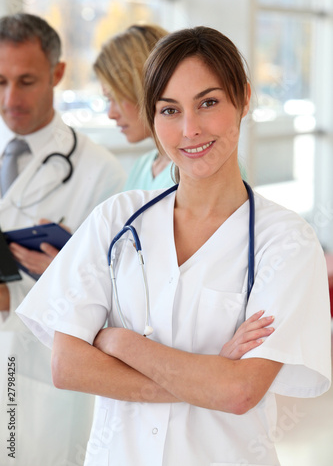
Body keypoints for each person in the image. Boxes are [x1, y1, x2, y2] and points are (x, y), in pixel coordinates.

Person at [16, 26, 331, 466]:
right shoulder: (116, 219)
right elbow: (68, 367)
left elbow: (240, 392)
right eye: (169, 110)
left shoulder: (286, 241)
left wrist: (120, 344)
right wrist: (207, 375)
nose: (189, 129)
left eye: (208, 103)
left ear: (243, 99)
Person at [0, 13, 126, 465]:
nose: (11, 99)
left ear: (57, 74)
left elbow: (116, 300)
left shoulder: (101, 173)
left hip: (35, 369)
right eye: (0, 81)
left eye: (26, 80)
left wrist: (14, 297)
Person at [93, 23, 174, 190]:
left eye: (116, 98)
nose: (111, 114)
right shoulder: (142, 168)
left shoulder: (203, 169)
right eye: (108, 100)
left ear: (144, 89)